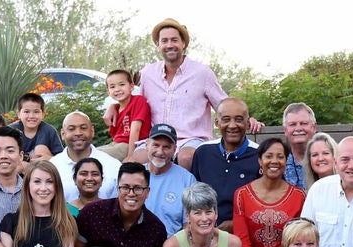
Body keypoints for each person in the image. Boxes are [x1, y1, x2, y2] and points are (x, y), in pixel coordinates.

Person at [127, 18, 262, 169]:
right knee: (132, 163)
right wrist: (115, 108)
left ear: (183, 43)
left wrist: (246, 119)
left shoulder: (202, 73)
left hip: (191, 139)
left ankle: (189, 192)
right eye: (164, 41)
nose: (169, 45)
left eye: (174, 40)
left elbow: (223, 104)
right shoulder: (148, 73)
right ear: (158, 44)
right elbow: (137, 104)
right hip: (158, 138)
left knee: (187, 158)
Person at [232, 137, 306, 247]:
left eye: (280, 157)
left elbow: (299, 239)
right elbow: (242, 239)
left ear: (286, 161)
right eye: (269, 156)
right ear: (260, 160)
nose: (274, 161)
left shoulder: (299, 196)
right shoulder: (242, 194)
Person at [191, 97, 259, 230]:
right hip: (205, 230)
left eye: (239, 119)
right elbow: (194, 195)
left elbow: (269, 202)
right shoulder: (203, 152)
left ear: (247, 123)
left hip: (247, 232)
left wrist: (237, 224)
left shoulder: (260, 155)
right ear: (217, 122)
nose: (232, 125)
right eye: (226, 120)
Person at [49, 111, 120, 203]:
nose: (78, 133)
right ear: (63, 134)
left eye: (83, 128)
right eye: (71, 129)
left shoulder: (113, 166)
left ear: (92, 131)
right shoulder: (52, 167)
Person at [141, 124, 197, 237]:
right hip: (132, 244)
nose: (160, 152)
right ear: (146, 145)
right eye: (156, 145)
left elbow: (190, 224)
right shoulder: (134, 175)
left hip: (169, 246)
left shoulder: (187, 179)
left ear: (174, 150)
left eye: (166, 147)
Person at [102, 69, 151, 161]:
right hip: (116, 144)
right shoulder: (115, 110)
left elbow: (135, 129)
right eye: (112, 87)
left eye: (122, 84)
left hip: (130, 145)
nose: (117, 89)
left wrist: (130, 156)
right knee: (90, 152)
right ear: (108, 92)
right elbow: (115, 136)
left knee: (95, 156)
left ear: (131, 86)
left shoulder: (138, 101)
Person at [9, 93, 64, 159]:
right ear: (19, 114)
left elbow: (61, 157)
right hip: (19, 165)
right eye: (26, 112)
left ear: (43, 114)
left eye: (36, 112)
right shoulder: (11, 130)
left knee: (40, 149)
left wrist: (49, 158)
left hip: (42, 166)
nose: (31, 116)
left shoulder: (49, 131)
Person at [282, 103, 317, 188]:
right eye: (292, 124)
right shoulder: (279, 163)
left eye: (304, 123)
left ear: (314, 127)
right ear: (285, 130)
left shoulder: (327, 161)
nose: (298, 129)